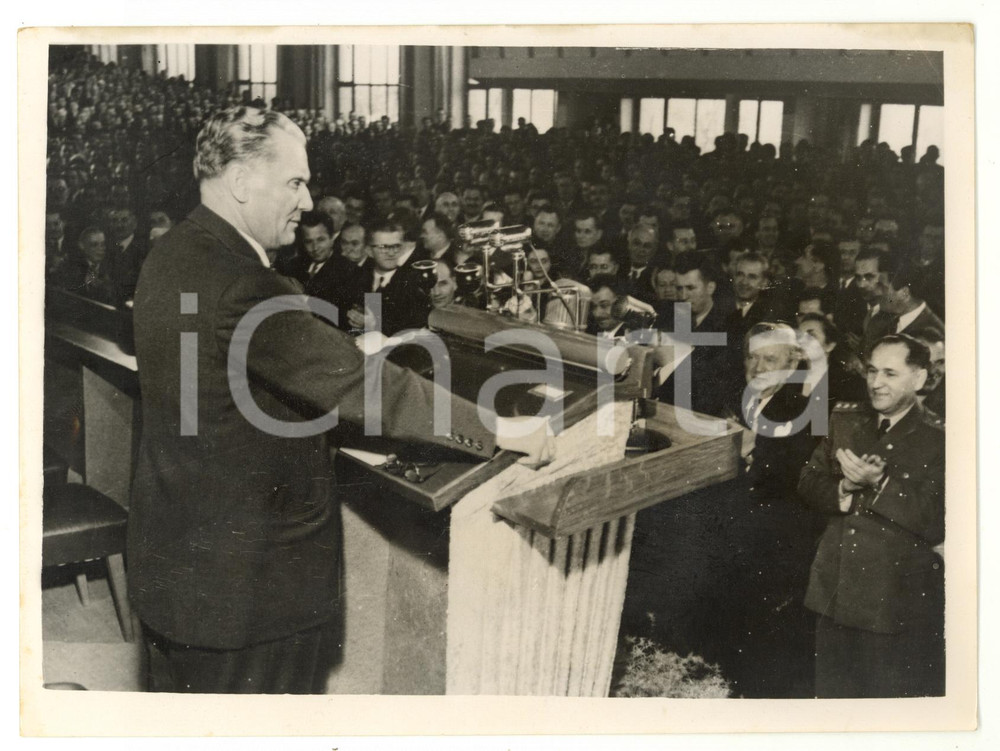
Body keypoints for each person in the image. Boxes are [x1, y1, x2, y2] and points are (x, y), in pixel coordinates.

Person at [128, 106, 552, 694]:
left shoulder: (172, 251)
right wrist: (498, 429)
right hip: (250, 587)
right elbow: (360, 384)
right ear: (244, 182)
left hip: (179, 557)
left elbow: (233, 363)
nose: (307, 203)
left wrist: (330, 346)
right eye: (295, 182)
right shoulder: (245, 282)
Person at [798, 334, 945, 697]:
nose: (876, 383)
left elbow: (936, 520)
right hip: (833, 591)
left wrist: (880, 482)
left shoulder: (939, 438)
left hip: (891, 603)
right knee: (832, 704)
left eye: (890, 374)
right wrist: (843, 490)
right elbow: (807, 481)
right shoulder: (846, 420)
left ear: (920, 379)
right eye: (872, 371)